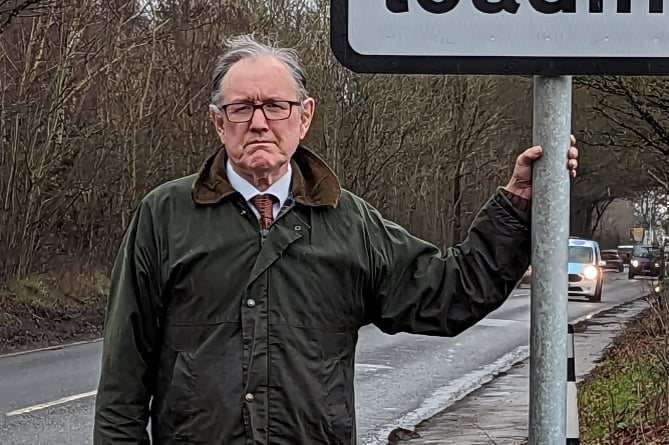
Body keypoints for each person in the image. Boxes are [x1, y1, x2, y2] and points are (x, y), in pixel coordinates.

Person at [93, 34, 579, 445]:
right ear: (219, 122)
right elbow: (122, 382)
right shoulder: (166, 216)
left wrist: (515, 205)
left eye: (275, 107)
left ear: (304, 117)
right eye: (241, 108)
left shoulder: (348, 222)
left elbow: (450, 293)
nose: (259, 122)